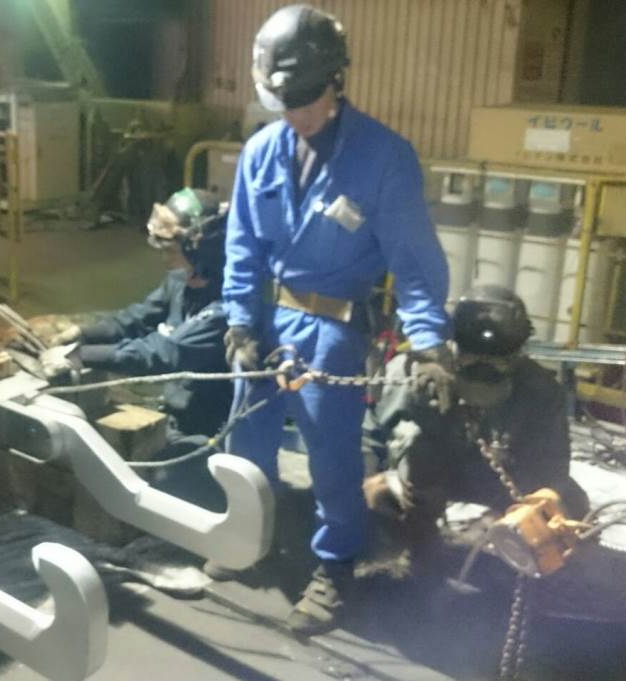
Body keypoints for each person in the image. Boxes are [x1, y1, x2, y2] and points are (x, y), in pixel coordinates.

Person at [221, 4, 453, 636]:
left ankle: (335, 565)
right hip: (265, 320)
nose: (295, 113)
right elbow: (242, 245)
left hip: (331, 330)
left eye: (305, 99)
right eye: (284, 101)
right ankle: (247, 535)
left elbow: (414, 262)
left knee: (331, 457)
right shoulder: (260, 152)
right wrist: (239, 321)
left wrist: (430, 343)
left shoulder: (384, 158)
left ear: (335, 81)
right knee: (248, 439)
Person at [363, 286, 589, 567]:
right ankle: (418, 546)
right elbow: (368, 437)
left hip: (496, 480)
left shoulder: (541, 390)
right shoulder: (408, 373)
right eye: (472, 357)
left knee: (573, 503)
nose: (483, 367)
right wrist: (369, 479)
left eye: (496, 361)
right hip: (423, 481)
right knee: (401, 466)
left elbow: (552, 466)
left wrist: (537, 507)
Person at [48, 188, 232, 445]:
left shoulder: (225, 307)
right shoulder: (180, 279)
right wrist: (84, 334)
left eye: (171, 249)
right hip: (177, 410)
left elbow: (160, 353)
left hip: (211, 429)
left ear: (201, 250)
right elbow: (136, 318)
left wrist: (80, 356)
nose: (164, 258)